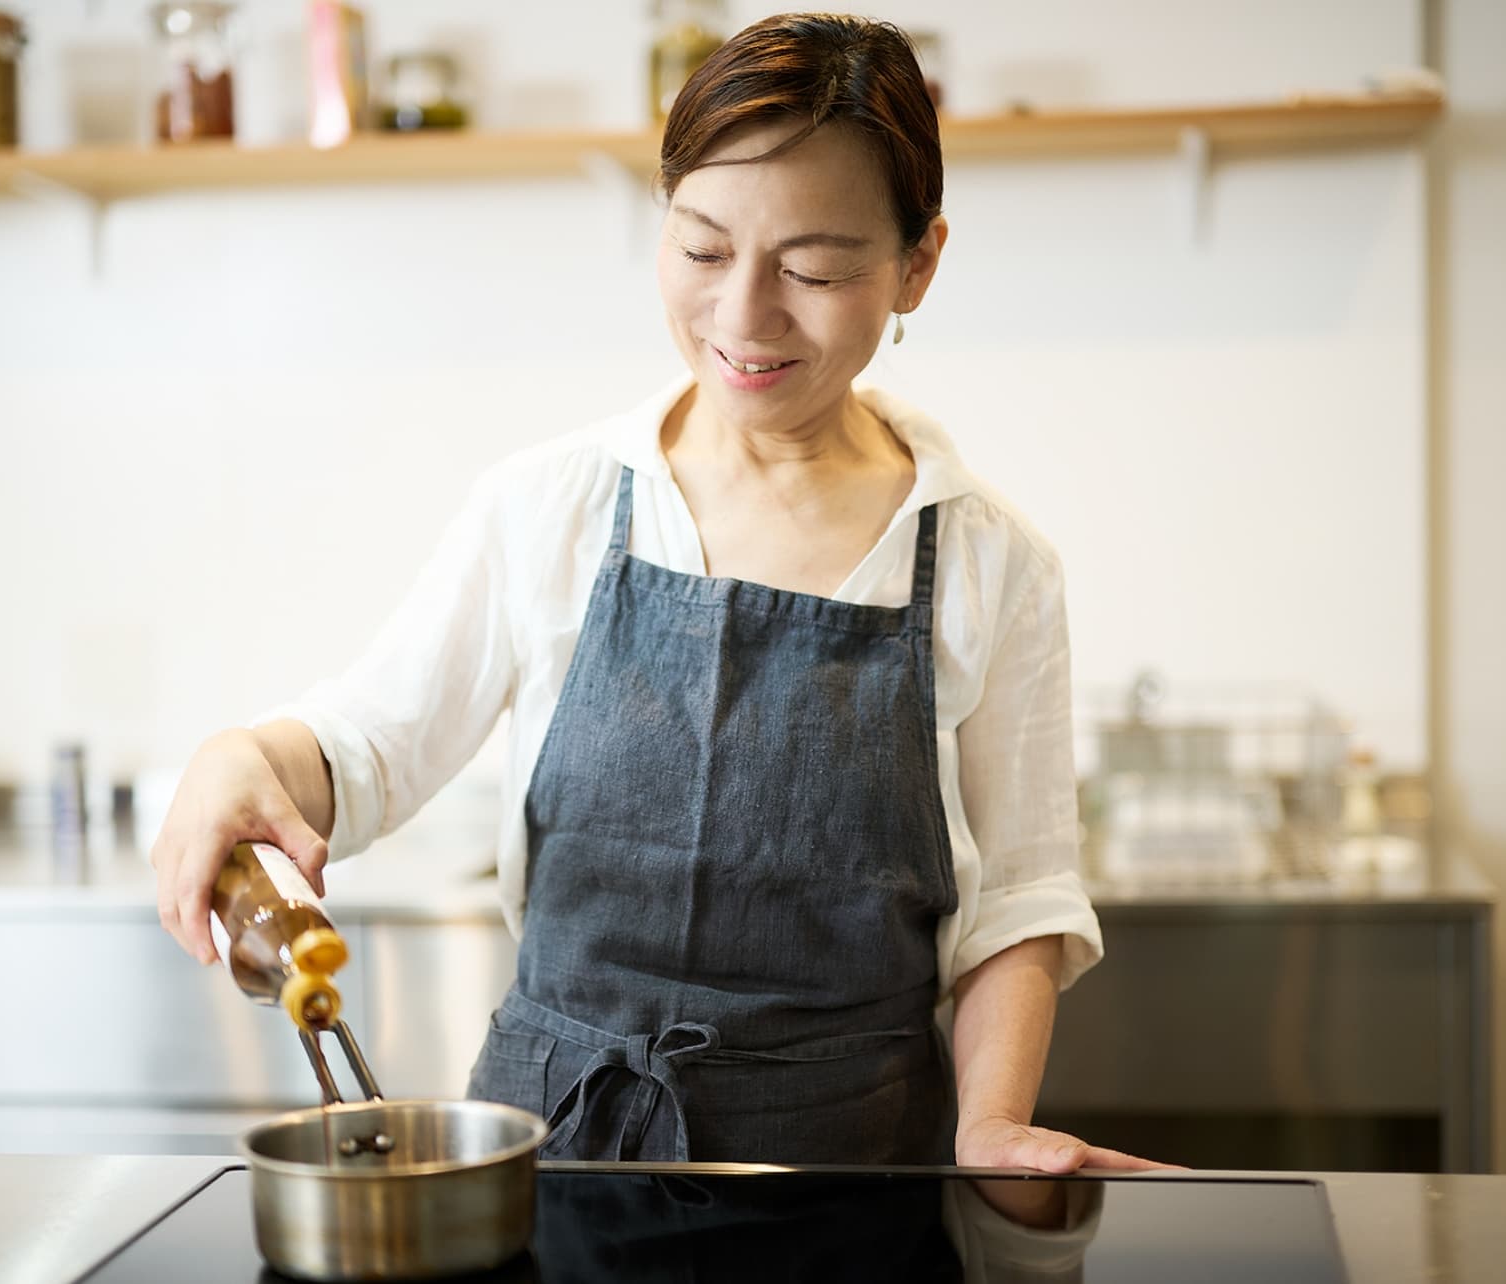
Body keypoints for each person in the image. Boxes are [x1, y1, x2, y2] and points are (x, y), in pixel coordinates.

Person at [151, 13, 1165, 1173]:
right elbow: (364, 749)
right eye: (700, 250)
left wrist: (989, 1128)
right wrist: (248, 758)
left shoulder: (991, 563)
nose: (743, 315)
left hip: (848, 1178)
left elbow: (1020, 906)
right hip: (557, 1161)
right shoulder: (552, 507)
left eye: (814, 269)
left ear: (916, 266)